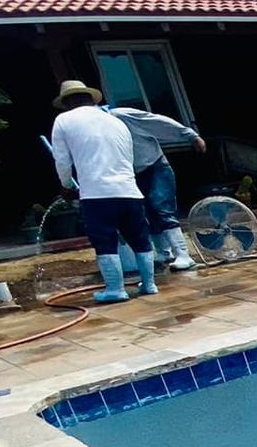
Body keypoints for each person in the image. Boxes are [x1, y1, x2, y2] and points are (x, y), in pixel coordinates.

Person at [49, 80, 156, 302]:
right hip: (130, 191)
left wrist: (67, 186)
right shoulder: (115, 121)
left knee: (105, 240)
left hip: (97, 195)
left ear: (68, 102)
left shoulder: (64, 120)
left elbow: (62, 161)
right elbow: (128, 156)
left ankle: (116, 290)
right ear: (90, 98)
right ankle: (149, 284)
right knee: (140, 239)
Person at [112, 105, 203, 271]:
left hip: (154, 166)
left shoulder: (121, 115)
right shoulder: (90, 127)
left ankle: (182, 253)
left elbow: (157, 122)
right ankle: (163, 252)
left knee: (161, 207)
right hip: (131, 171)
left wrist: (189, 135)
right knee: (146, 212)